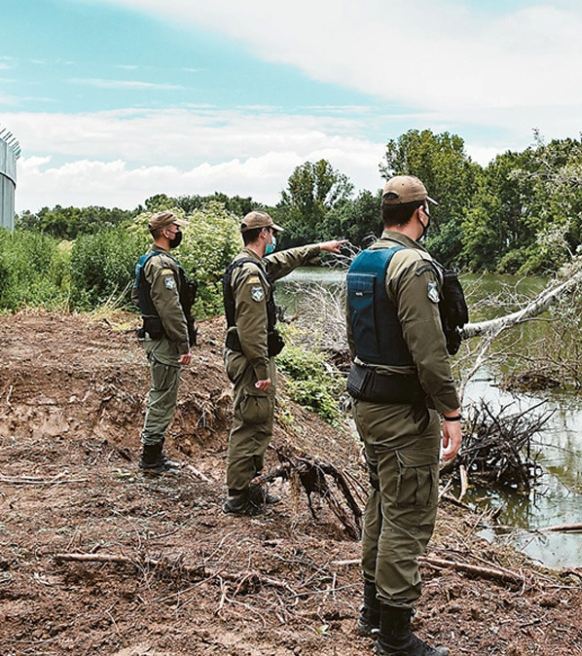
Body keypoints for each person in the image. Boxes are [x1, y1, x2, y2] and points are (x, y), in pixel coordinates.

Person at [345, 176, 462, 656]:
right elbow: (429, 351)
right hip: (402, 413)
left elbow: (356, 339)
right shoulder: (412, 265)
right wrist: (450, 410)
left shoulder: (362, 261)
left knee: (381, 501)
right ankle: (395, 637)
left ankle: (372, 612)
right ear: (421, 214)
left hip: (368, 402)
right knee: (408, 515)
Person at [221, 210, 346, 516]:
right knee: (249, 424)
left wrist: (318, 248)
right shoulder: (250, 273)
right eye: (271, 232)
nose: (274, 237)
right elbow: (251, 329)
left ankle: (253, 487)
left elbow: (285, 260)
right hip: (252, 361)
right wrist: (262, 370)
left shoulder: (252, 264)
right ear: (263, 233)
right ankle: (238, 496)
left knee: (259, 423)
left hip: (252, 360)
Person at [135, 211, 198, 473]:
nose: (178, 232)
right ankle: (150, 459)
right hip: (164, 342)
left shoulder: (153, 260)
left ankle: (154, 456)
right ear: (165, 232)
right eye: (175, 228)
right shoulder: (160, 264)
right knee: (162, 397)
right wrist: (183, 344)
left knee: (162, 395)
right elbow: (170, 308)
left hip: (159, 339)